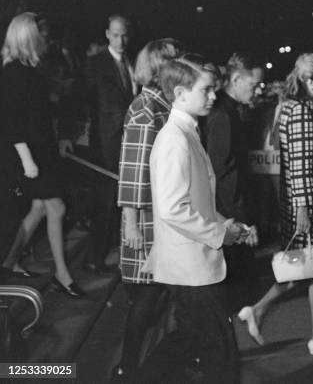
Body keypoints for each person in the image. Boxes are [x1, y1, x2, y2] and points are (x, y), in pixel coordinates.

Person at [137, 55, 248, 383]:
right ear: (181, 93)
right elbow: (173, 209)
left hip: (194, 262)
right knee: (220, 355)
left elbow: (195, 198)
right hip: (191, 265)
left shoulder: (186, 133)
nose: (214, 95)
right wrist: (219, 233)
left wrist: (224, 224)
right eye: (207, 89)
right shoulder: (175, 140)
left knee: (190, 342)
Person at [237, 52, 313, 356]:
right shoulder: (300, 111)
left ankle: (264, 312)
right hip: (311, 203)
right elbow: (300, 164)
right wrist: (303, 208)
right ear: (308, 80)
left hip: (306, 201)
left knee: (305, 268)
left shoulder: (292, 108)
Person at [112, 38, 182, 382]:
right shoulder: (145, 109)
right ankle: (127, 366)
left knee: (153, 294)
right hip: (145, 218)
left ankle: (134, 363)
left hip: (159, 214)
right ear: (160, 68)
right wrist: (131, 221)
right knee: (146, 294)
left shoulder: (161, 105)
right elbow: (133, 169)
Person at [0, 12, 84, 297]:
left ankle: (9, 262)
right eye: (44, 35)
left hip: (41, 151)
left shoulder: (29, 70)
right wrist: (26, 159)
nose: (48, 41)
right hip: (29, 155)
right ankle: (61, 274)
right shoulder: (13, 73)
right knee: (56, 208)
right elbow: (11, 122)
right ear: (30, 37)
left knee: (39, 207)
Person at [203, 52, 263, 311]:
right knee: (238, 292)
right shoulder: (223, 116)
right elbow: (222, 174)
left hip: (228, 213)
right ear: (237, 79)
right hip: (227, 215)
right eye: (253, 84)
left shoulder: (231, 112)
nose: (257, 90)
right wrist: (240, 220)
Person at [85, 14, 136, 275]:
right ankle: (95, 257)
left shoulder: (132, 61)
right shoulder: (95, 64)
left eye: (124, 34)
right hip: (106, 141)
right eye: (116, 35)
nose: (121, 40)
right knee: (105, 200)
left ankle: (116, 252)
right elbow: (82, 99)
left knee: (122, 198)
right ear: (107, 34)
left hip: (129, 139)